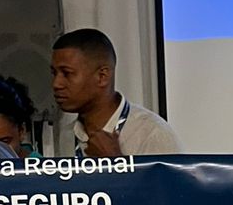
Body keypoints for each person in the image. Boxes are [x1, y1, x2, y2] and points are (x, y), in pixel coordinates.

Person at [51, 29, 179, 158]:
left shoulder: (152, 133)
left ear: (102, 76)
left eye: (67, 73)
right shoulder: (65, 135)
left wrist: (114, 160)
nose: (56, 84)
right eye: (54, 73)